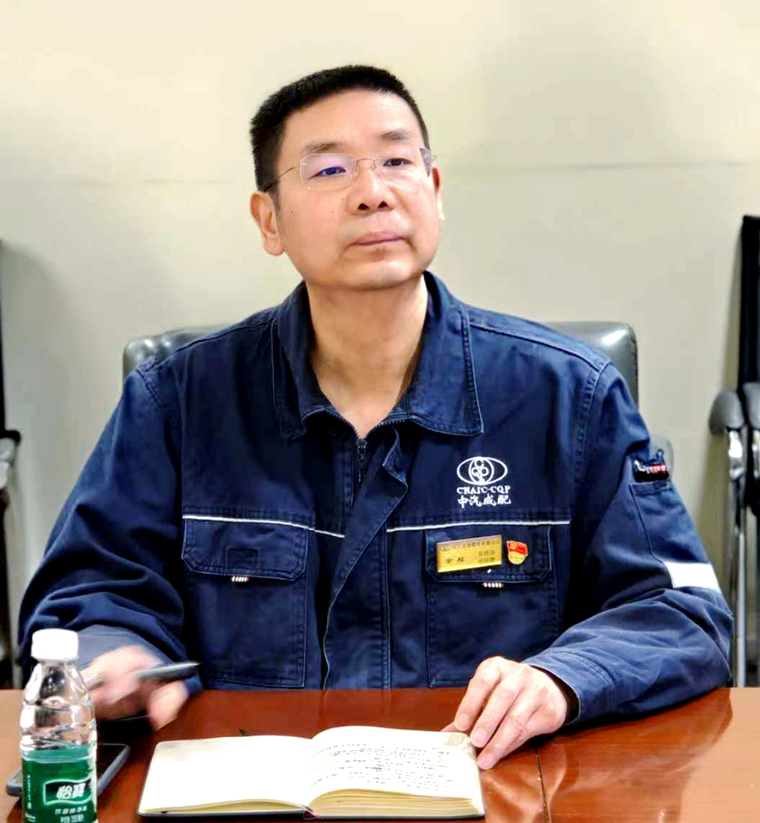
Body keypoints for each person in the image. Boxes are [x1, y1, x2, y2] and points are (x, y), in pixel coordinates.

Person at [18, 65, 731, 771]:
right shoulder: (178, 400)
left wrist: (561, 679)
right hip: (247, 794)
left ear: (435, 191)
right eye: (329, 170)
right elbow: (88, 594)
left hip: (492, 789)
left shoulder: (569, 397)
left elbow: (682, 611)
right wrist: (113, 657)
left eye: (396, 161)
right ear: (269, 220)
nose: (373, 193)